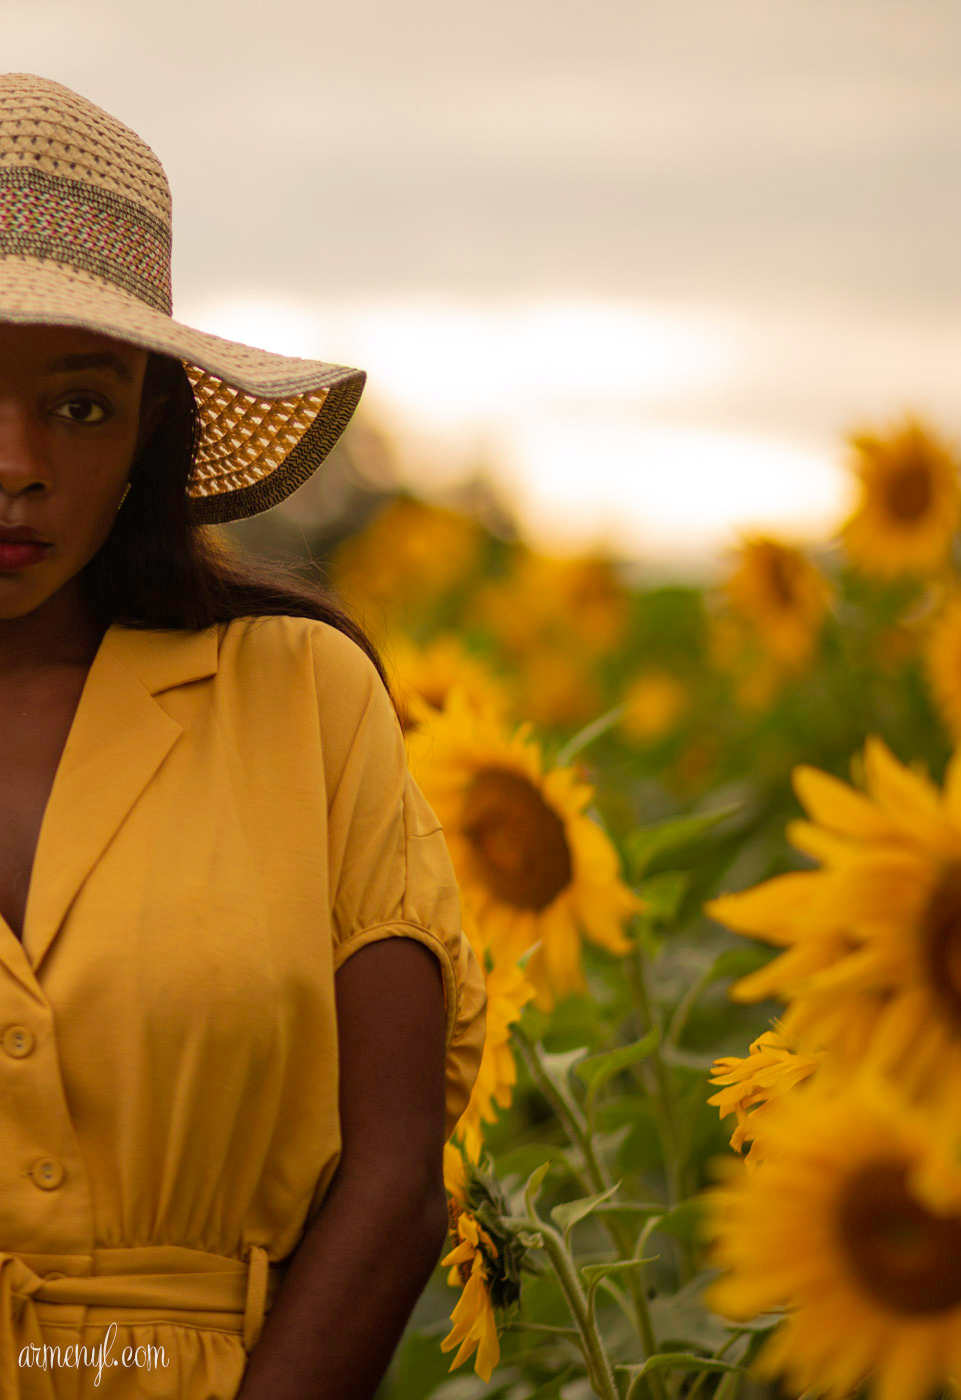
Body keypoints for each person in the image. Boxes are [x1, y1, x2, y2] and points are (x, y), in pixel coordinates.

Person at [0, 73, 487, 1399]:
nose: (16, 459)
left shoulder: (299, 701)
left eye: (81, 404)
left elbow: (394, 1183)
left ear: (154, 423)